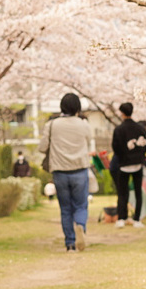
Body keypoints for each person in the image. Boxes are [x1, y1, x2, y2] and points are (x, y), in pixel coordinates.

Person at [38, 93, 94, 251]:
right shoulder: (83, 124)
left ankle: (70, 243)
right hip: (80, 170)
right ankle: (81, 226)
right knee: (81, 205)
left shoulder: (53, 124)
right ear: (78, 107)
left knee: (66, 208)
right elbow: (89, 140)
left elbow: (42, 147)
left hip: (60, 172)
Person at [111, 102, 146, 228]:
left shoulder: (119, 129)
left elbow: (115, 147)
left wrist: (123, 157)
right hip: (137, 163)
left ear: (122, 113)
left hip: (123, 164)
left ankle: (122, 217)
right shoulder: (140, 129)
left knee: (122, 192)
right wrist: (140, 155)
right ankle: (137, 219)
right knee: (138, 192)